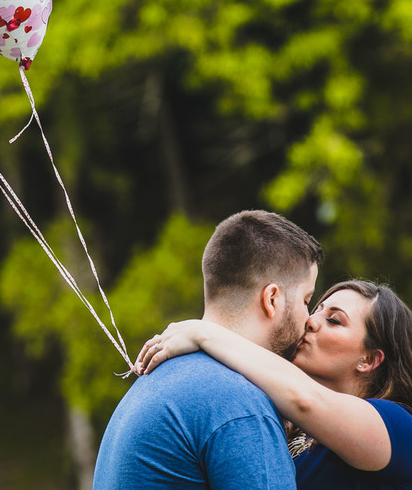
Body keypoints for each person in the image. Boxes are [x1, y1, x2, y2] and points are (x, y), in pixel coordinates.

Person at [137, 279, 412, 490]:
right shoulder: (299, 436)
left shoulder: (405, 432)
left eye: (334, 320)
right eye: (315, 309)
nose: (311, 322)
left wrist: (204, 333)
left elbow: (305, 399)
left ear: (369, 360)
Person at [92, 210, 324, 490]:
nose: (309, 319)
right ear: (272, 299)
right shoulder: (239, 403)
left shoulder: (158, 381)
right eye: (307, 300)